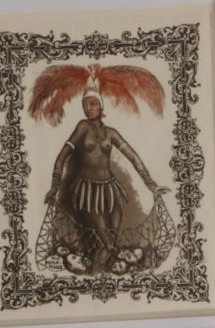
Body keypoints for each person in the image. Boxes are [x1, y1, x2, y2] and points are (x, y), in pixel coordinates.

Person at [46, 87, 168, 274]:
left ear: (101, 106)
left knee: (112, 238)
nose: (88, 108)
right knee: (108, 242)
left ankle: (105, 269)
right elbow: (61, 157)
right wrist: (55, 186)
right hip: (87, 191)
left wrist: (151, 185)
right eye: (85, 105)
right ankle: (104, 268)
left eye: (93, 104)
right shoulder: (82, 127)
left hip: (111, 191)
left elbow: (133, 157)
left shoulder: (111, 133)